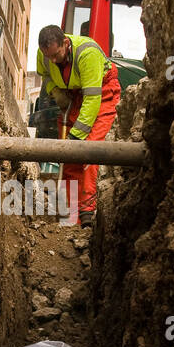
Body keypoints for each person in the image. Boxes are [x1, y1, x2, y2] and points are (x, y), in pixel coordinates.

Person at [36, 25, 121, 228]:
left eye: (57, 55)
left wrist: (75, 138)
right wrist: (55, 91)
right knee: (69, 156)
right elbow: (45, 75)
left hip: (102, 93)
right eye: (50, 57)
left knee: (89, 149)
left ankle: (87, 213)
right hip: (74, 95)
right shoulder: (45, 55)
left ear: (66, 43)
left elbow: (93, 99)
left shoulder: (87, 53)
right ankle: (70, 212)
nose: (53, 61)